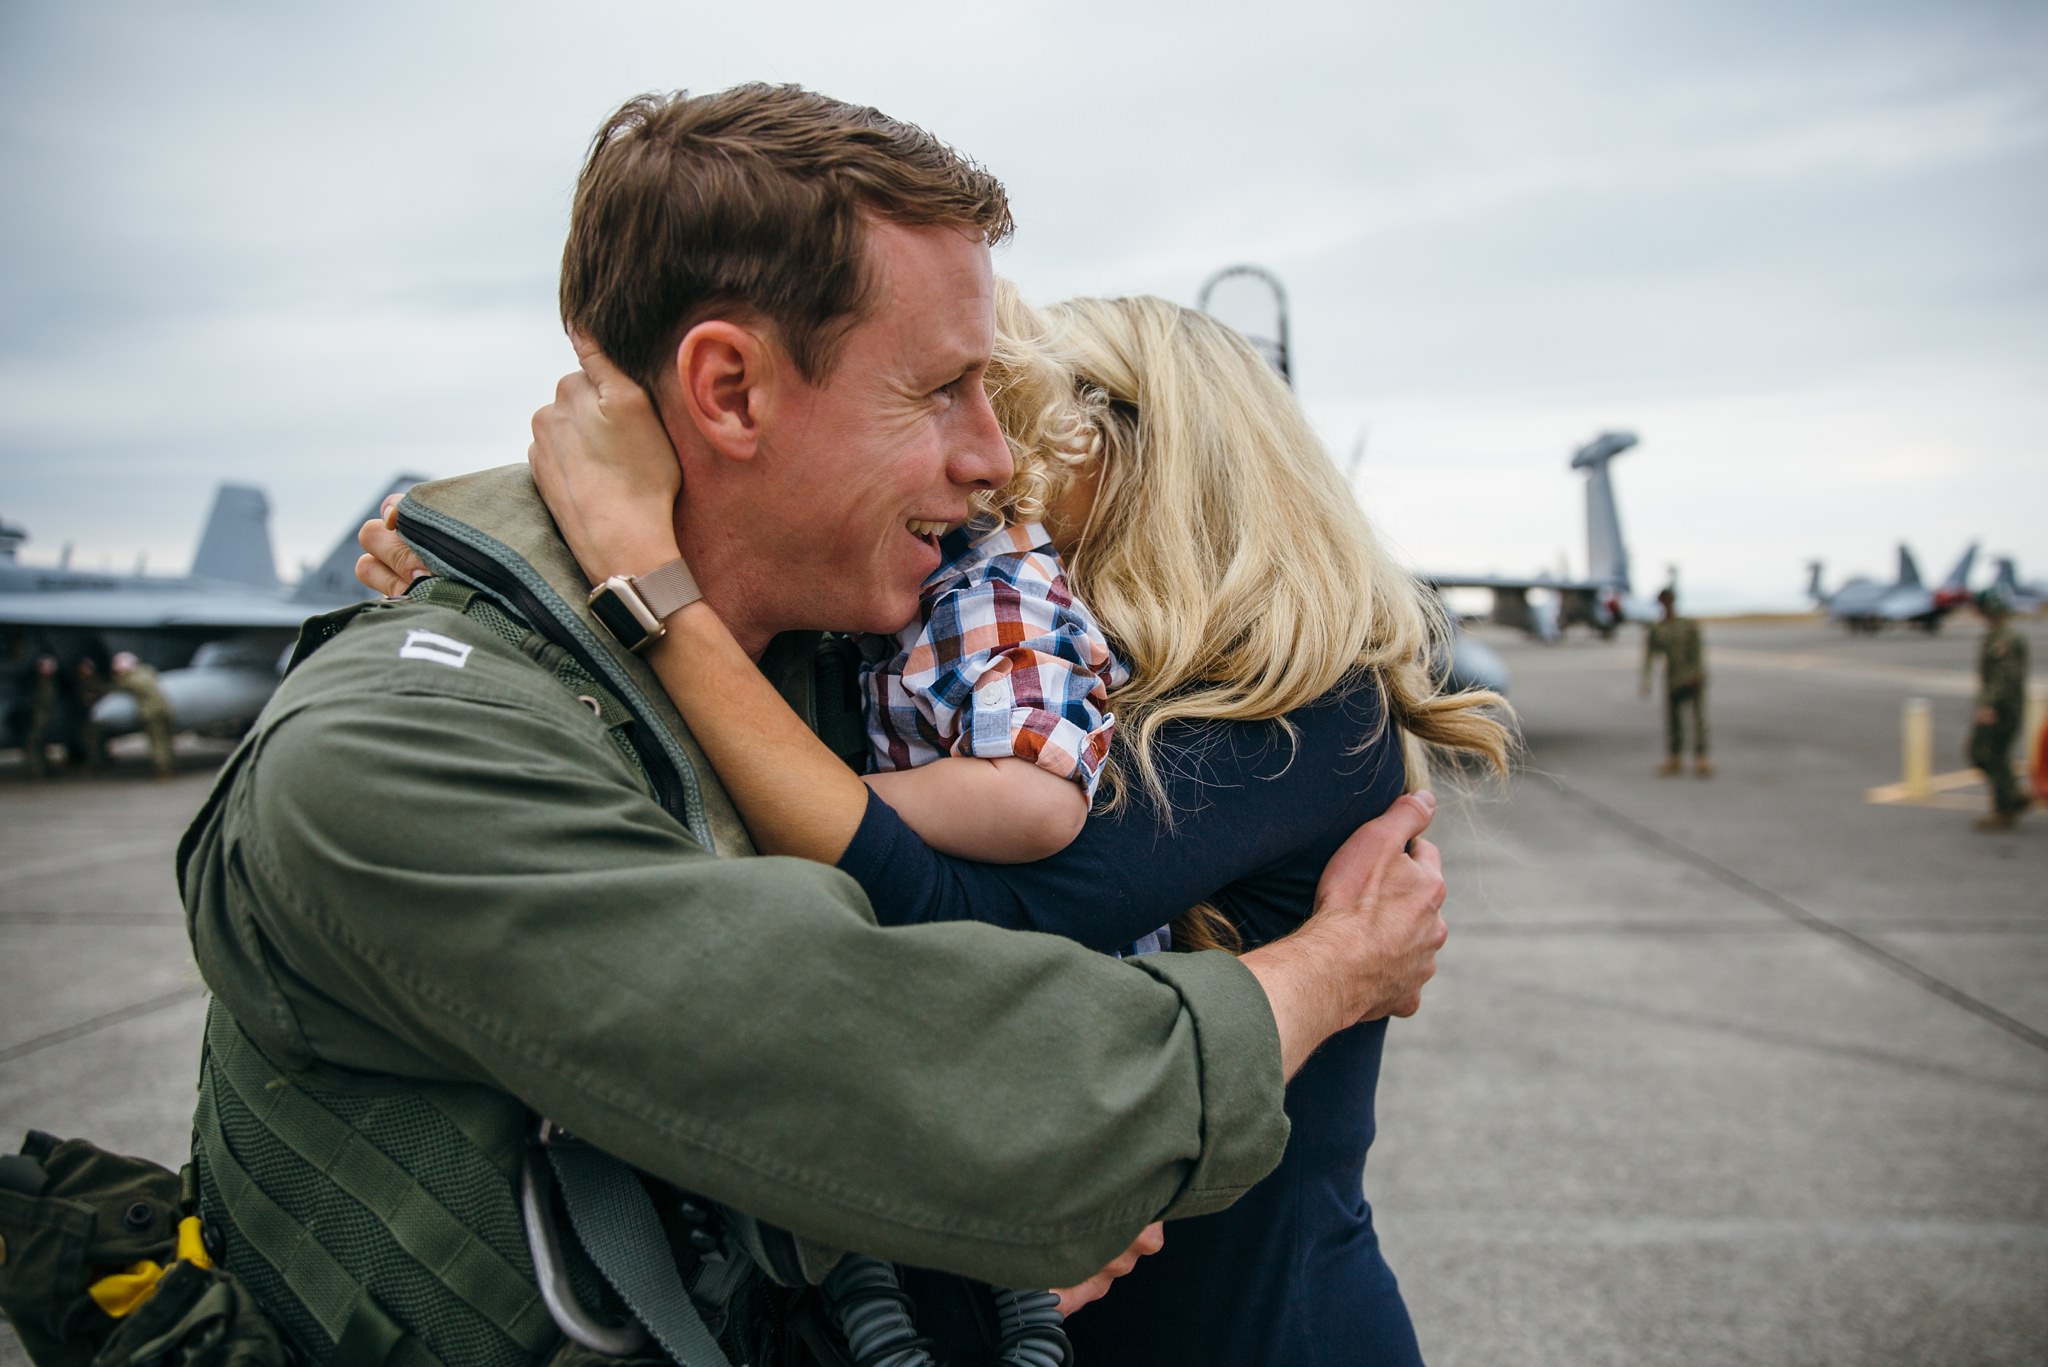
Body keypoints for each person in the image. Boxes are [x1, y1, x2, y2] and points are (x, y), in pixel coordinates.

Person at [180, 83, 1454, 1367]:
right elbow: (989, 1102)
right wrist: (1329, 968)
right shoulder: (405, 748)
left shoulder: (837, 654)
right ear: (728, 391)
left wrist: (594, 560)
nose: (998, 458)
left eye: (1006, 400)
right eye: (949, 390)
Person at [394, 285, 1512, 1365]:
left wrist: (645, 588)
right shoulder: (1038, 663)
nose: (981, 443)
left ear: (1141, 447)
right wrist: (511, 576)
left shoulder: (1305, 712)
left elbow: (956, 904)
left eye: (1025, 399)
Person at [1968, 587, 2030, 831]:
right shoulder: (1995, 635)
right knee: (1993, 756)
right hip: (2001, 705)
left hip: (2003, 708)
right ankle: (2012, 798)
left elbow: (2005, 677)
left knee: (1986, 753)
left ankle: (2006, 806)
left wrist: (1989, 705)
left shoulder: (2006, 639)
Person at [1642, 586, 1710, 777]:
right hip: (1672, 678)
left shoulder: (1687, 625)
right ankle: (1674, 758)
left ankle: (1701, 757)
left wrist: (1697, 674)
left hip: (1691, 676)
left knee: (1698, 720)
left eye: (1667, 600)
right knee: (1673, 721)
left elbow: (1698, 652)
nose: (1664, 604)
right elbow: (1649, 654)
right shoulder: (1658, 628)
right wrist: (1645, 678)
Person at [110, 651, 175, 777]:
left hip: (151, 713)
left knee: (158, 742)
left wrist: (120, 677)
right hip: (163, 709)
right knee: (166, 740)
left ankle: (164, 769)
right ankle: (171, 766)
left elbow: (121, 685)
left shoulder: (132, 678)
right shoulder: (147, 672)